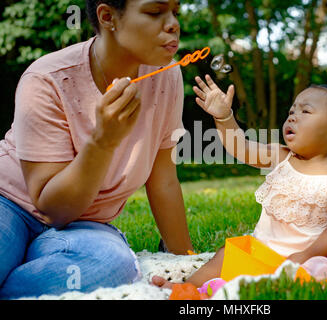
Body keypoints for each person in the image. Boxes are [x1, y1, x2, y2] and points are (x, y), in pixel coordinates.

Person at [0, 0, 193, 299]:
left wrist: (187, 264)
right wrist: (103, 142)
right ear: (107, 17)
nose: (173, 24)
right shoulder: (47, 78)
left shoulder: (166, 75)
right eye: (155, 12)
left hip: (85, 225)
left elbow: (163, 178)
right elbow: (52, 208)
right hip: (9, 204)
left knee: (112, 265)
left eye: (175, 13)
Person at [152, 75, 327, 290]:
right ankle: (186, 288)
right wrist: (224, 117)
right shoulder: (279, 157)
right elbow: (241, 147)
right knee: (225, 255)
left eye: (305, 111)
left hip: (318, 253)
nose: (293, 116)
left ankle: (312, 275)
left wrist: (308, 255)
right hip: (270, 252)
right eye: (292, 111)